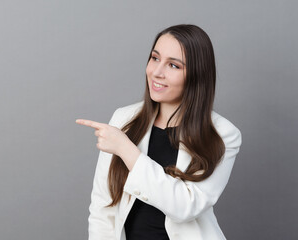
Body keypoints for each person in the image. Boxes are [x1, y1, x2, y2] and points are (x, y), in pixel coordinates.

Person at [75, 24, 242, 240]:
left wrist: (127, 150)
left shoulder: (222, 134)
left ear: (196, 75)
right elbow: (102, 208)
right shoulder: (123, 120)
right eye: (155, 58)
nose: (157, 72)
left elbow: (185, 207)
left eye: (173, 65)